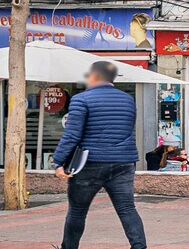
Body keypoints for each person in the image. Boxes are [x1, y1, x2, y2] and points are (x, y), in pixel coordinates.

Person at [52, 61, 147, 249]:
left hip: (90, 163)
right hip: (123, 161)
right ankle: (139, 247)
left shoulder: (81, 99)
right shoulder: (128, 99)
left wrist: (58, 161)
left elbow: (72, 134)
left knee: (78, 211)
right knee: (127, 208)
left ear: (93, 76)